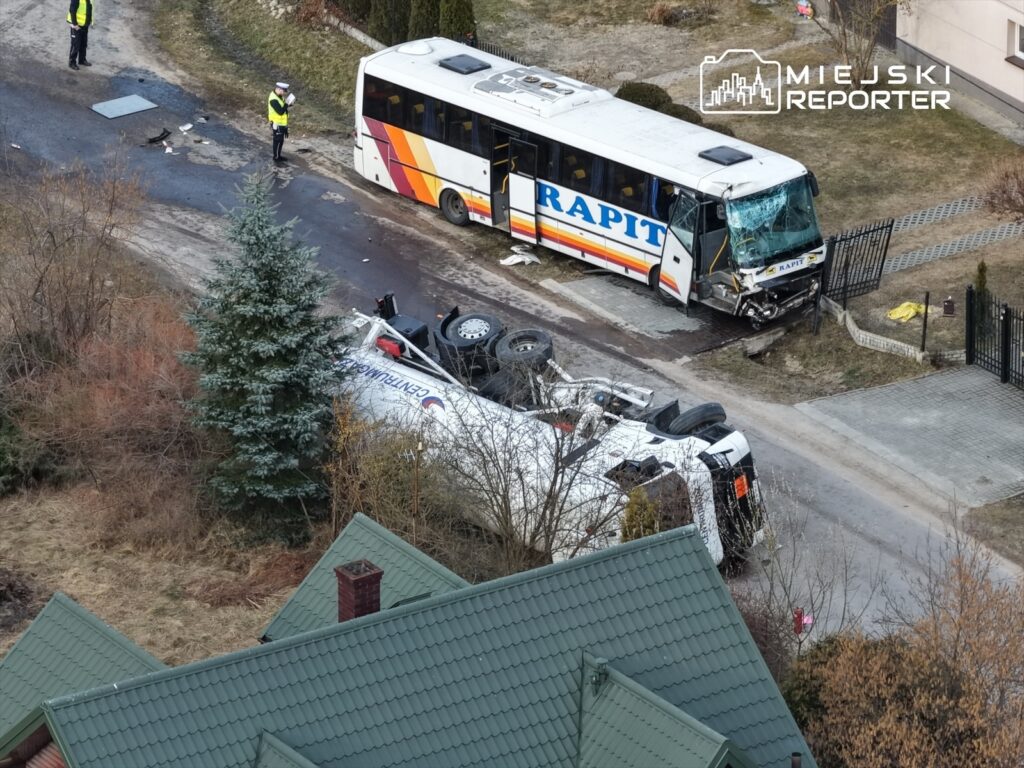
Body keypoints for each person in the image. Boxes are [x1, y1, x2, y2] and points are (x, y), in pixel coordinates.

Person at [268, 82, 295, 163]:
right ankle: (276, 157)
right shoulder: (273, 99)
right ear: (279, 89)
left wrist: (289, 104)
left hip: (281, 123)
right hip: (277, 124)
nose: (284, 93)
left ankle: (278, 155)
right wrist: (287, 104)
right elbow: (280, 111)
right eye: (283, 91)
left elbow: (283, 106)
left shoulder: (279, 96)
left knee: (281, 141)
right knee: (277, 141)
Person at [67, 0, 94, 71]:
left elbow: (89, 9)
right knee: (75, 44)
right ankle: (72, 62)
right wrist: (75, 24)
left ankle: (82, 60)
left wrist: (89, 21)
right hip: (76, 26)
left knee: (83, 44)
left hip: (85, 25)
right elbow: (72, 10)